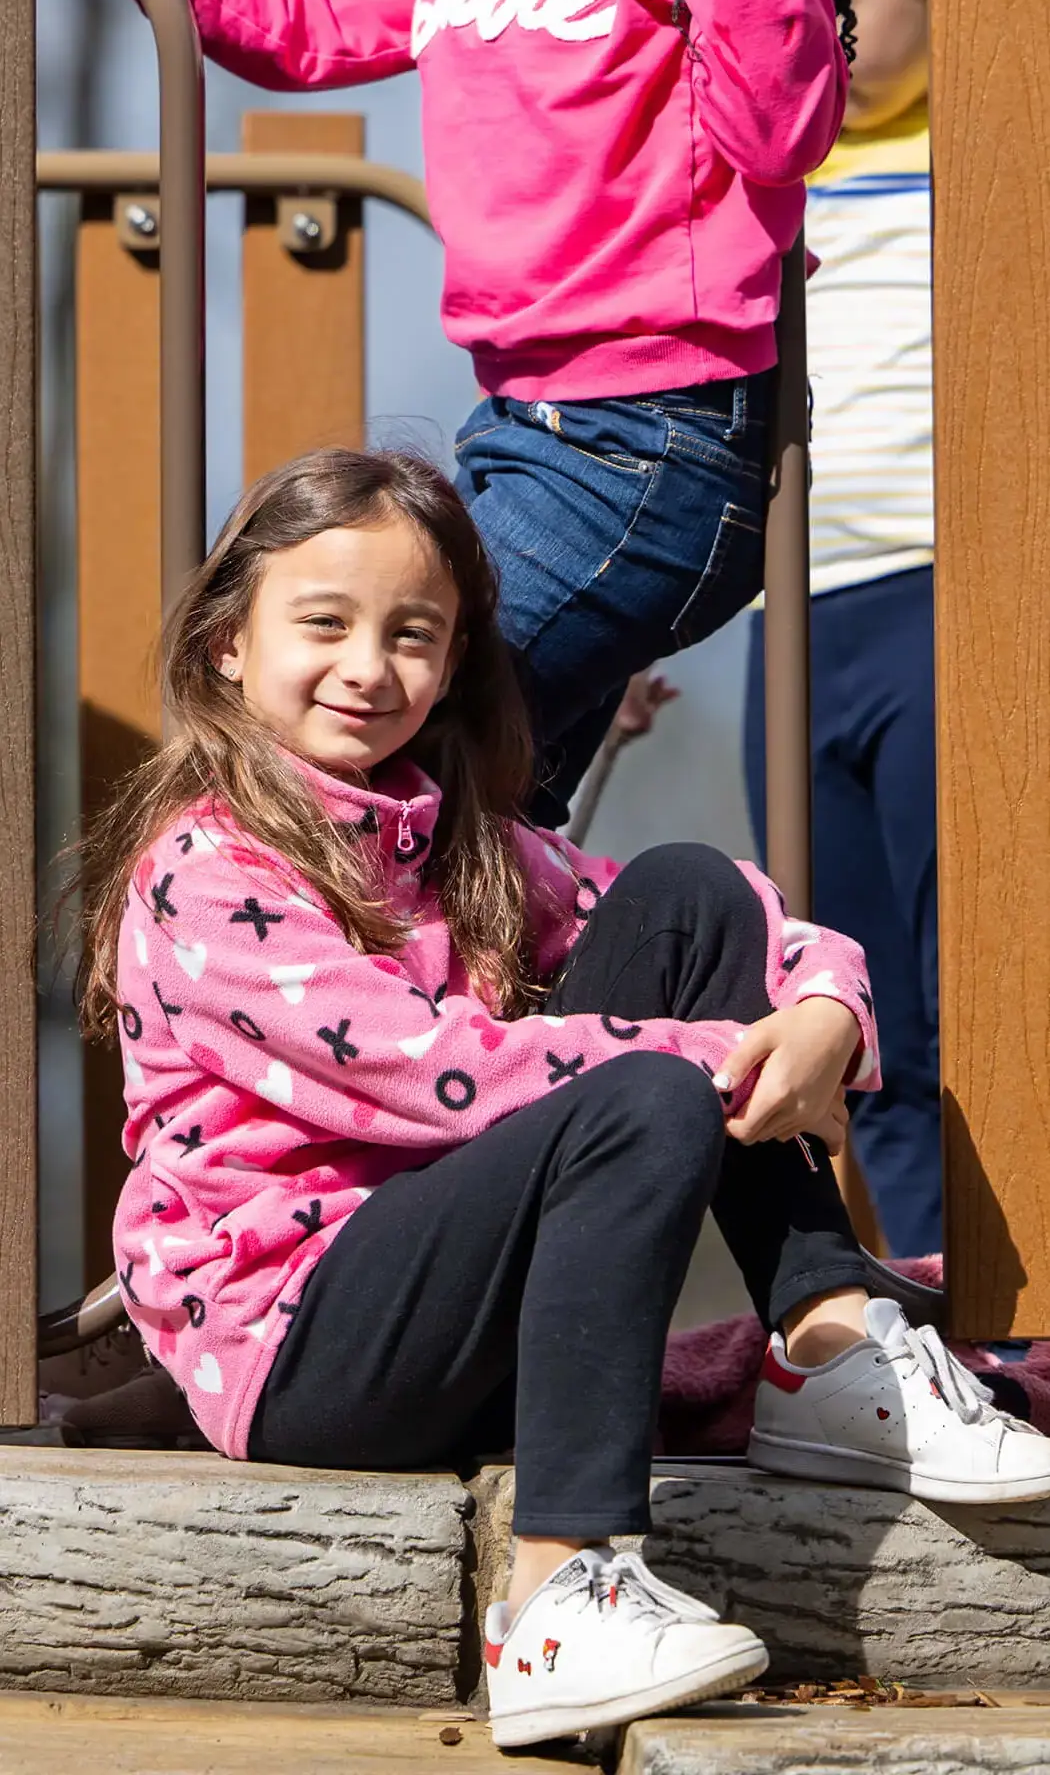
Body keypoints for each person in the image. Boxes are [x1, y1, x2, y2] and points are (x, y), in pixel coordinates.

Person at [81, 448, 1050, 1751]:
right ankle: (558, 1593)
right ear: (224, 652)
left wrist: (824, 1015)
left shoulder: (443, 829)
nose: (369, 667)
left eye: (411, 634)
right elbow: (435, 1077)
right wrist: (720, 1057)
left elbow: (740, 930)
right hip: (305, 1351)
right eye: (323, 624)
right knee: (644, 1091)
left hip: (463, 1314)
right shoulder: (206, 872)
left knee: (688, 890)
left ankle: (826, 1344)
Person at [4, 0, 857, 826]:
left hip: (656, 440)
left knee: (367, 749)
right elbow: (301, 23)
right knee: (479, 837)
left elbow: (778, 124)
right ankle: (532, 1031)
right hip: (520, 430)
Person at [744, 0, 939, 1256]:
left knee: (982, 979)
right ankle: (935, 1302)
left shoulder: (989, 141)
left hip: (951, 598)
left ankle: (1026, 1304)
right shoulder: (763, 166)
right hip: (790, 619)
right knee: (850, 1000)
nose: (810, 32)